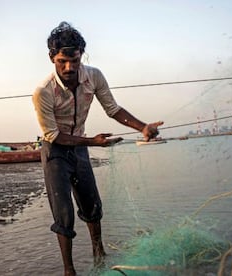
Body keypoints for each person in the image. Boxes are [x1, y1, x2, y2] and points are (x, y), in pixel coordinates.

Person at [32, 21, 163, 276]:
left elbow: (113, 109)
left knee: (92, 204)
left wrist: (142, 127)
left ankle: (99, 253)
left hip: (79, 146)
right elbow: (54, 135)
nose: (69, 68)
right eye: (62, 61)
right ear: (52, 58)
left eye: (75, 60)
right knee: (64, 214)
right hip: (55, 150)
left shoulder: (94, 76)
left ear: (81, 55)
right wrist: (94, 142)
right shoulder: (43, 92)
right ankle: (69, 269)